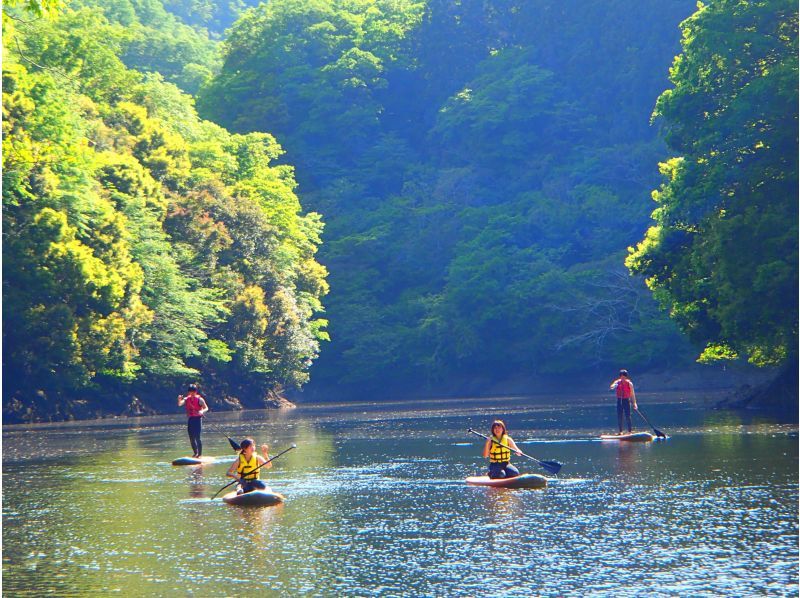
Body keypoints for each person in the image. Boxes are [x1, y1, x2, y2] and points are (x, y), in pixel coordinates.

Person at [177, 383, 208, 457]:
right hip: (191, 419)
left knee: (197, 437)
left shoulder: (200, 400)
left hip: (198, 419)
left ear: (196, 392)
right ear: (189, 392)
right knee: (191, 438)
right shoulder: (186, 399)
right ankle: (195, 453)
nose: (192, 393)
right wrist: (179, 400)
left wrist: (202, 411)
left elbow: (206, 408)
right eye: (190, 392)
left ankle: (199, 455)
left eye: (193, 392)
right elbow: (180, 404)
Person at [609, 369, 637, 434]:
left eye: (624, 377)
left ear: (626, 377)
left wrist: (634, 404)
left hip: (626, 400)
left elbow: (632, 394)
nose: (623, 378)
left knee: (628, 416)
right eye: (621, 376)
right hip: (619, 401)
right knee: (620, 416)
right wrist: (613, 386)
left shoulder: (629, 384)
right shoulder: (617, 382)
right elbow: (612, 386)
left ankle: (630, 431)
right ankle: (620, 431)